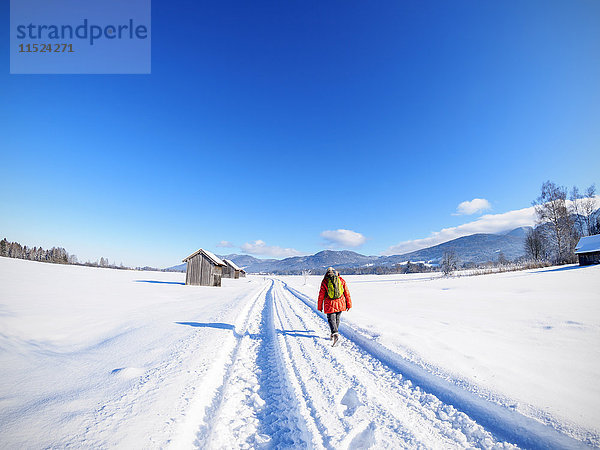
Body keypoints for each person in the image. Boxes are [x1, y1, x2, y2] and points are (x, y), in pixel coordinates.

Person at [318, 267, 352, 346]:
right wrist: (349, 304)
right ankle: (333, 334)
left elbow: (321, 295)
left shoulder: (325, 281)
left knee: (331, 320)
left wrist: (320, 306)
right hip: (340, 303)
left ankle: (335, 335)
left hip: (329, 303)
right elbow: (347, 293)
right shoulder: (341, 280)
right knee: (337, 319)